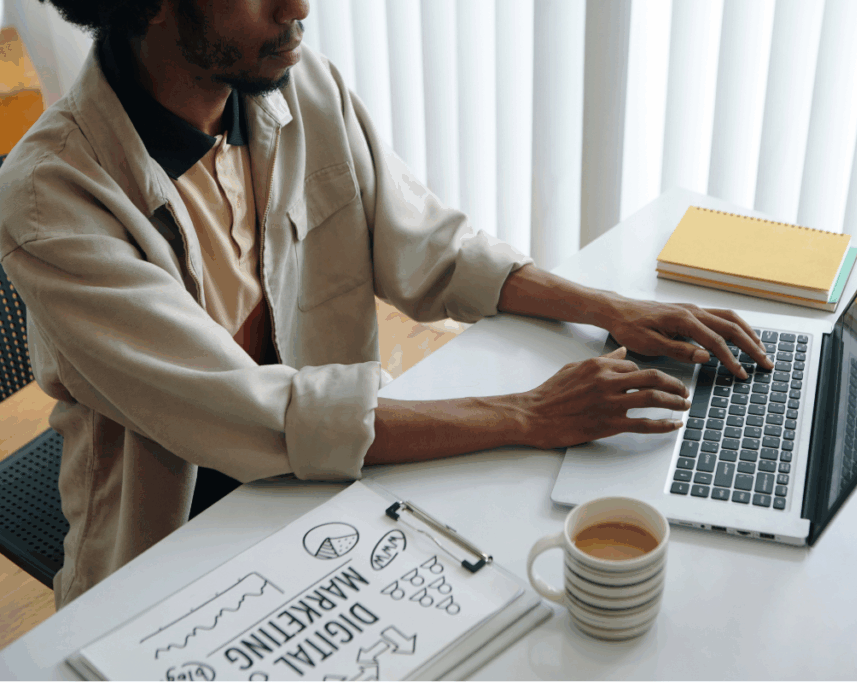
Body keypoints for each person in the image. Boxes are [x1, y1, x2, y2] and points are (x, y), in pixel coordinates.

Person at [0, 0, 771, 609]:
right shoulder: (52, 197)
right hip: (169, 554)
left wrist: (608, 307)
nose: (297, 6)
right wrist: (531, 414)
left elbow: (432, 246)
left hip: (332, 493)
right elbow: (248, 413)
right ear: (155, 4)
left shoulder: (300, 85)